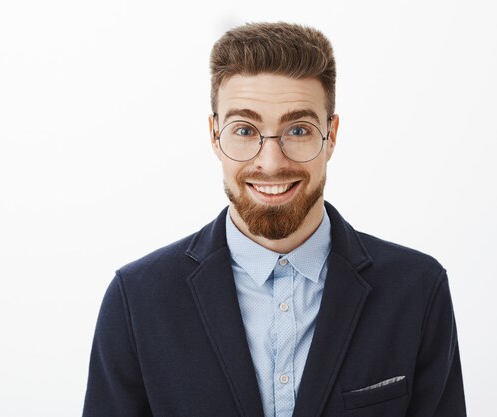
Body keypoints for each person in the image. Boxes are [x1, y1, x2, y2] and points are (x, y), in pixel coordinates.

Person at [82, 22, 466, 417]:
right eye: (244, 130)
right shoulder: (137, 300)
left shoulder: (417, 290)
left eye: (298, 129)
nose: (271, 162)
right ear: (214, 136)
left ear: (331, 135)